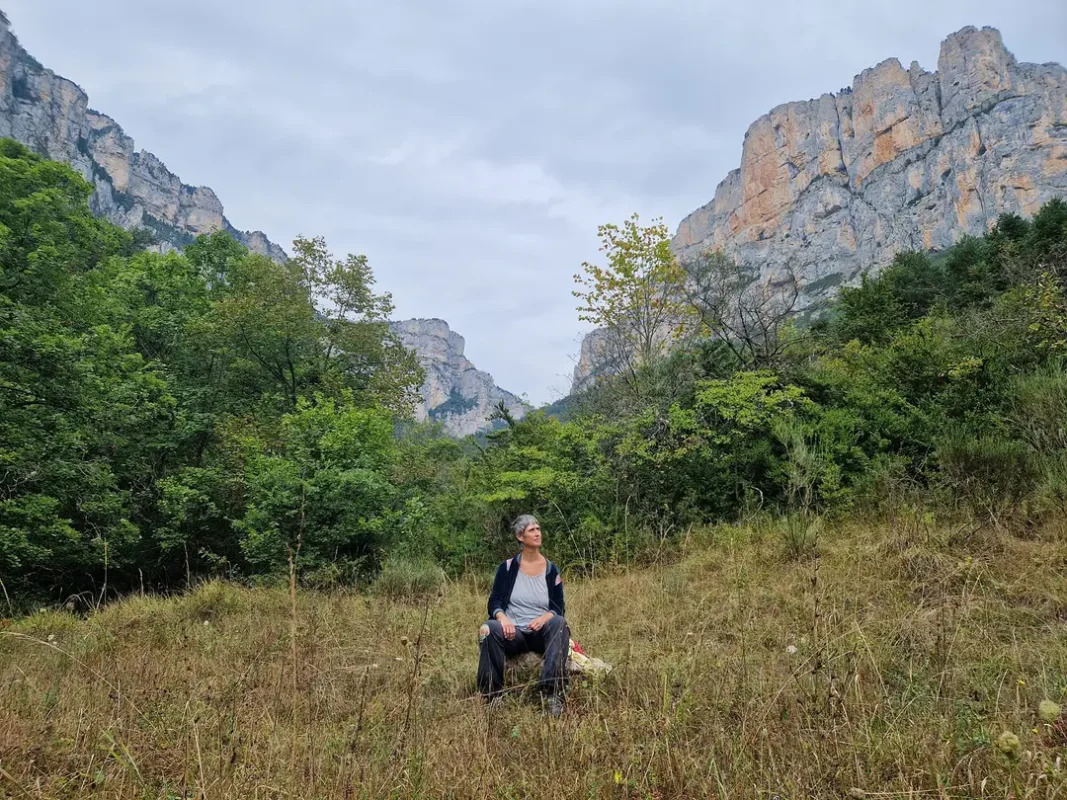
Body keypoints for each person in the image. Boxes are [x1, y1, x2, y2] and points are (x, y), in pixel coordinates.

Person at [476, 514, 569, 717]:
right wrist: (503, 618)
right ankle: (492, 697)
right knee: (487, 628)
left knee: (559, 623)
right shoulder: (507, 568)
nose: (537, 533)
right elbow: (495, 602)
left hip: (539, 634)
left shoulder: (552, 570)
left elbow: (559, 607)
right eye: (531, 530)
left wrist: (544, 618)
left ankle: (551, 694)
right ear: (520, 536)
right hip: (513, 633)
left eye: (538, 529)